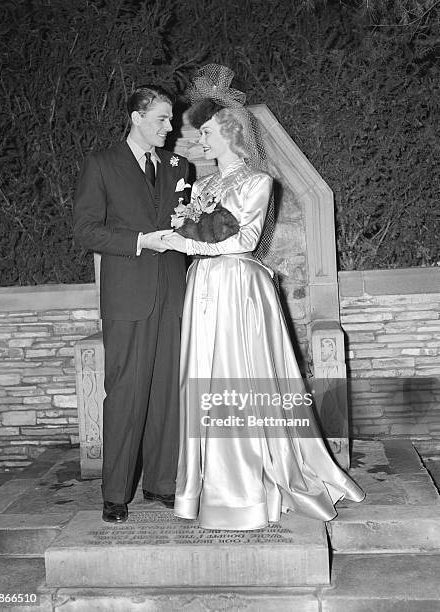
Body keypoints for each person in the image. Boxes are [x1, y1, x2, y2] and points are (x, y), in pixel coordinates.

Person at [162, 65, 364, 530]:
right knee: (204, 379)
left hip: (236, 285)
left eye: (207, 132)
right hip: (205, 286)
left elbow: (244, 240)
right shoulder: (205, 184)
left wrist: (184, 241)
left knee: (239, 374)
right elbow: (199, 226)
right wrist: (185, 236)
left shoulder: (258, 182)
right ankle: (207, 482)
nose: (202, 142)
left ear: (230, 131)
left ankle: (249, 485)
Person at [74, 85, 189, 523]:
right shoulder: (102, 165)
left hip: (173, 294)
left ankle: (162, 484)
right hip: (127, 298)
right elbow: (85, 230)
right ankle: (116, 492)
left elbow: (187, 223)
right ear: (137, 117)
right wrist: (140, 241)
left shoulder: (180, 166)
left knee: (167, 393)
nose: (170, 126)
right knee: (124, 393)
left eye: (171, 118)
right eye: (162, 118)